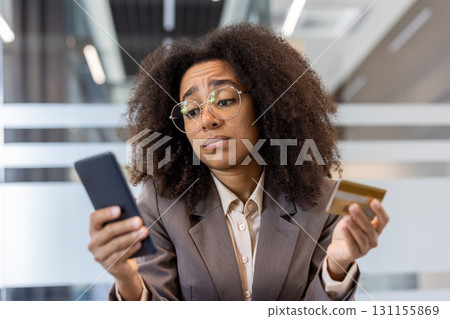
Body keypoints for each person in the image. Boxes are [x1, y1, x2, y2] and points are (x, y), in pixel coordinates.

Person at [87, 23, 389, 301]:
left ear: (266, 106)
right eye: (191, 111)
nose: (206, 120)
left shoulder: (326, 202)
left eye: (224, 100)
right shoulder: (161, 205)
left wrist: (337, 265)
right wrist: (127, 279)